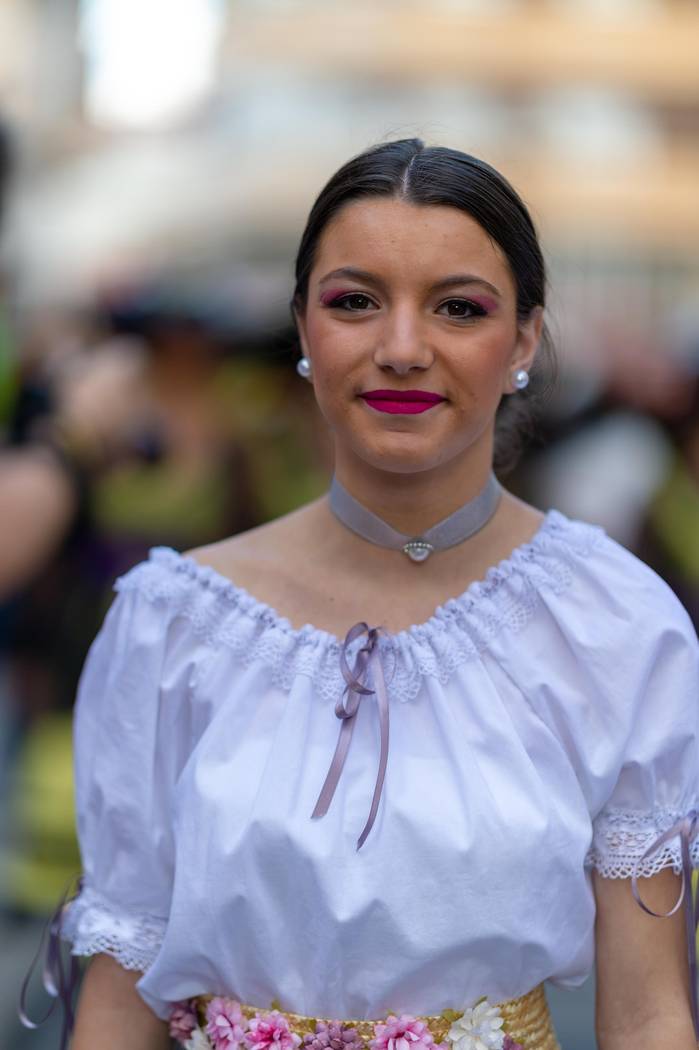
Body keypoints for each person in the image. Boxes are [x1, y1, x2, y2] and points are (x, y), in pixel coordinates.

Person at [20, 139, 699, 1050]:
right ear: (302, 328)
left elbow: (650, 1012)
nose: (402, 349)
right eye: (354, 302)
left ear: (524, 339)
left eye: (458, 308)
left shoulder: (610, 623)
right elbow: (119, 995)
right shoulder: (172, 624)